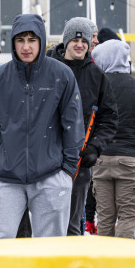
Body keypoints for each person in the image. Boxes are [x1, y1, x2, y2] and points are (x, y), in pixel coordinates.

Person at [0, 14, 83, 239]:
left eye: (32, 40)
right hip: (3, 177)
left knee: (50, 252)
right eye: (20, 40)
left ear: (41, 41)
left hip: (51, 175)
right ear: (13, 42)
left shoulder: (61, 75)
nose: (26, 46)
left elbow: (72, 124)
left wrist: (67, 169)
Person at [45, 17, 119, 236]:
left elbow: (109, 117)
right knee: (47, 221)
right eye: (75, 40)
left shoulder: (96, 75)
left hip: (79, 161)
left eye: (84, 41)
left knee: (72, 223)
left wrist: (95, 147)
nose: (80, 44)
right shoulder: (48, 69)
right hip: (46, 158)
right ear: (66, 41)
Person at [91, 40, 135, 239]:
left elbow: (87, 120)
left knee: (104, 218)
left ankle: (103, 264)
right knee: (127, 218)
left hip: (101, 160)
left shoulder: (97, 86)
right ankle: (122, 266)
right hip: (129, 161)